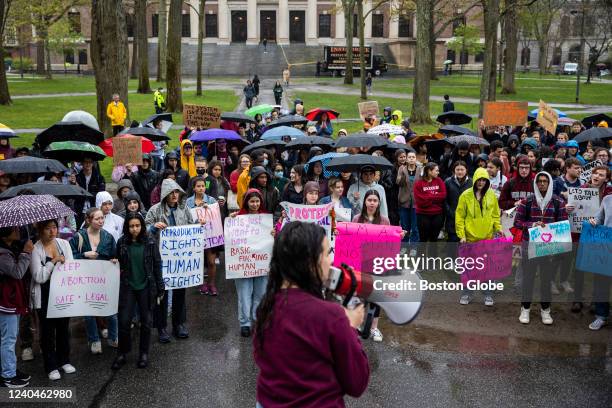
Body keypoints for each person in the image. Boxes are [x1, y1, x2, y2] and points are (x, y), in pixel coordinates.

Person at [253, 221, 368, 407]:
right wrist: (351, 327)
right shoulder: (332, 317)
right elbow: (356, 383)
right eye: (327, 253)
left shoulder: (267, 306)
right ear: (309, 261)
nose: (331, 261)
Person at [514, 171, 568, 325]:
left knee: (546, 280)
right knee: (528, 280)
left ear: (550, 183)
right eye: (540, 181)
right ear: (536, 183)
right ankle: (525, 309)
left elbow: (563, 225)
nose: (542, 184)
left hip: (549, 248)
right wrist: (532, 225)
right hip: (529, 246)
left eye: (545, 181)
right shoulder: (527, 201)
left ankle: (546, 310)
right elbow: (517, 222)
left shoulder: (558, 202)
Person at [145, 179, 195, 343]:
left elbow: (192, 226)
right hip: (161, 259)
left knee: (180, 292)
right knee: (162, 293)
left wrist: (198, 225)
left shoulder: (184, 209)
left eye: (176, 192)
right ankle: (162, 328)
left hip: (181, 259)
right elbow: (143, 230)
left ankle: (179, 325)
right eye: (171, 192)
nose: (174, 195)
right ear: (165, 194)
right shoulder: (155, 210)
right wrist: (152, 228)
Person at [112, 213, 163, 370]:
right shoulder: (121, 242)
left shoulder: (150, 242)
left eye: (137, 226)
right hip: (128, 286)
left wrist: (160, 286)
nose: (134, 229)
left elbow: (157, 264)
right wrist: (114, 261)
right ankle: (122, 353)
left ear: (142, 226)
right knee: (124, 321)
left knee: (146, 322)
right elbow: (117, 260)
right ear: (127, 227)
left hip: (146, 286)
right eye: (131, 226)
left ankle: (143, 353)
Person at [30, 219, 75, 380]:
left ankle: (64, 360)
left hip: (62, 293)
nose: (52, 231)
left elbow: (71, 268)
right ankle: (51, 365)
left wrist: (63, 263)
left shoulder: (64, 244)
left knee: (63, 328)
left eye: (54, 227)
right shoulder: (35, 249)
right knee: (47, 332)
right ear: (41, 230)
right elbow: (39, 276)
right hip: (44, 295)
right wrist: (53, 262)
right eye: (48, 228)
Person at [70, 208, 118, 354]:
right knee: (89, 312)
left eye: (102, 218)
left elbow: (114, 255)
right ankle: (94, 340)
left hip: (104, 279)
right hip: (86, 280)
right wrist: (84, 254)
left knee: (111, 310)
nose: (101, 221)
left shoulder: (108, 237)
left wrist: (114, 260)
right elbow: (69, 257)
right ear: (88, 220)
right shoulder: (79, 237)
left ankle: (113, 336)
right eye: (97, 219)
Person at [352, 190, 396, 342]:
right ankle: (358, 324)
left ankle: (374, 328)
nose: (372, 203)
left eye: (375, 200)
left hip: (377, 264)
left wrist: (398, 235)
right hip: (360, 263)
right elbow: (350, 240)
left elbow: (390, 241)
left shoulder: (385, 220)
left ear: (379, 203)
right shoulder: (356, 218)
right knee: (360, 295)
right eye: (369, 200)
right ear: (364, 201)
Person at [455, 167, 502, 306]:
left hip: (487, 238)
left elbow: (495, 215)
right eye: (479, 180)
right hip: (469, 239)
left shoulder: (492, 195)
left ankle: (488, 295)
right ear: (475, 179)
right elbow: (459, 217)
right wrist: (461, 235)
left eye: (484, 180)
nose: (481, 182)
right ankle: (467, 294)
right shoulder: (465, 195)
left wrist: (498, 229)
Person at [230, 189, 269, 337]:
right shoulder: (237, 219)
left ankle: (257, 320)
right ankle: (245, 323)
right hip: (243, 263)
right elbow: (228, 237)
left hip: (261, 263)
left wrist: (272, 233)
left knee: (260, 293)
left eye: (257, 201)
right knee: (244, 294)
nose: (255, 204)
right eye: (252, 201)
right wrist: (231, 220)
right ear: (246, 202)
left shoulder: (265, 219)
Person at [0, 226, 33, 388]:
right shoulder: (2, 254)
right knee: (9, 339)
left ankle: (10, 369)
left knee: (10, 337)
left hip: (13, 300)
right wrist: (26, 253)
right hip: (6, 302)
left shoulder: (10, 248)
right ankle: (7, 376)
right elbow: (17, 273)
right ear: (5, 234)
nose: (18, 230)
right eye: (14, 229)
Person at [186, 176, 219, 296]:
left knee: (211, 262)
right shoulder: (188, 202)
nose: (201, 188)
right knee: (199, 261)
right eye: (198, 186)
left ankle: (211, 284)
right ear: (194, 188)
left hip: (210, 235)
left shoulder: (211, 200)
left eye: (203, 186)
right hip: (195, 236)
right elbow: (186, 219)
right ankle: (203, 283)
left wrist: (208, 209)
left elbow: (217, 217)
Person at [587, 194, 612, 330]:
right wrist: (594, 221)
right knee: (601, 282)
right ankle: (601, 316)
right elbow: (599, 218)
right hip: (606, 247)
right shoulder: (607, 199)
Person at [414, 162, 447, 242]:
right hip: (423, 215)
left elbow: (443, 196)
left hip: (437, 215)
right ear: (429, 171)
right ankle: (422, 255)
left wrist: (428, 196)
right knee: (423, 239)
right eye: (436, 170)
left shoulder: (439, 181)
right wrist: (435, 195)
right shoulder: (419, 183)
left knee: (434, 239)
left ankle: (432, 254)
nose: (438, 172)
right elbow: (420, 202)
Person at [396, 150, 422, 244]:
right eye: (409, 157)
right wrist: (403, 174)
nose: (411, 159)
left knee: (415, 227)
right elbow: (398, 183)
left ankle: (414, 245)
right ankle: (404, 244)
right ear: (406, 159)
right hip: (404, 201)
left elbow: (423, 184)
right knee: (404, 226)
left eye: (413, 157)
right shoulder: (402, 168)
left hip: (416, 202)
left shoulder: (420, 169)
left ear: (416, 159)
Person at [444, 161, 472, 243]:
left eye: (462, 169)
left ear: (466, 170)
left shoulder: (471, 182)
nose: (460, 172)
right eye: (457, 169)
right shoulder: (448, 182)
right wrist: (449, 212)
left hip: (467, 217)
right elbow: (444, 200)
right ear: (454, 170)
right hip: (452, 217)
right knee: (452, 242)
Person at [75, 158, 106, 227]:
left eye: (90, 162)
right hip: (80, 211)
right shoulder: (77, 178)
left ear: (93, 163)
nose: (88, 164)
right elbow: (74, 196)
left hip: (94, 209)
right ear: (82, 163)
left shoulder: (99, 178)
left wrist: (84, 193)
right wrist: (74, 185)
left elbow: (101, 195)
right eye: (85, 162)